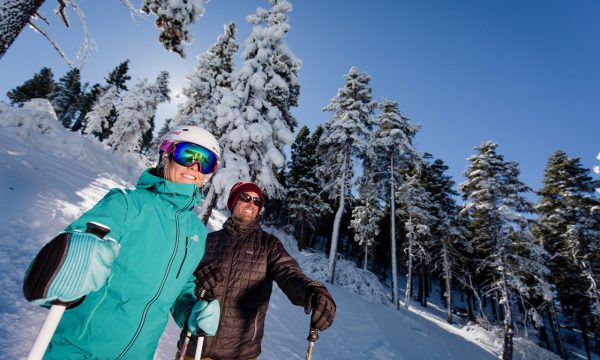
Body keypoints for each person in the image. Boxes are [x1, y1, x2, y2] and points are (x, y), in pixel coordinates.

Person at [23, 126, 223, 359]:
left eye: (205, 162)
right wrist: (81, 252)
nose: (194, 167)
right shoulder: (127, 204)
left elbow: (181, 289)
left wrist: (191, 313)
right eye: (187, 155)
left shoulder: (196, 231)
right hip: (79, 349)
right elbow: (74, 243)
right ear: (166, 156)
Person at [176, 181, 337, 360]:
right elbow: (183, 281)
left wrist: (313, 291)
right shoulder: (208, 240)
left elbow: (289, 274)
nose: (251, 204)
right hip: (194, 347)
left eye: (257, 201)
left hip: (240, 353)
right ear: (233, 202)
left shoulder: (268, 244)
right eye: (245, 197)